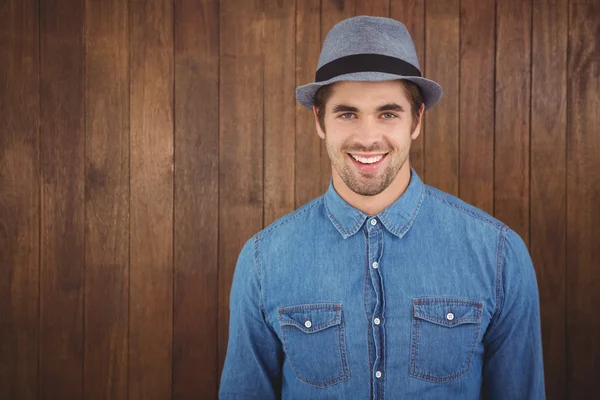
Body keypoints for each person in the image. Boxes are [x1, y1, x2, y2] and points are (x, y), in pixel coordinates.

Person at [219, 16, 545, 400]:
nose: (368, 137)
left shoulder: (500, 256)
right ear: (319, 120)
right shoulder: (262, 262)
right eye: (347, 113)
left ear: (417, 120)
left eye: (388, 113)